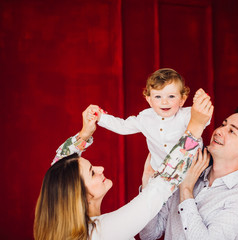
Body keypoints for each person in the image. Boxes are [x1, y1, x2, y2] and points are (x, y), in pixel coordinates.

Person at [33, 90, 214, 240]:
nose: (100, 169)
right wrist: (195, 128)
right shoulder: (103, 232)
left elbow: (57, 167)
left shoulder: (72, 230)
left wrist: (85, 133)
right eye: (92, 172)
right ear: (81, 195)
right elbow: (158, 190)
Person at [139, 107, 238, 240]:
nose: (219, 131)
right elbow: (149, 234)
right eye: (223, 125)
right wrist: (148, 185)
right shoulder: (189, 174)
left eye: (231, 131)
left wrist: (186, 190)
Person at [92, 68, 210, 170]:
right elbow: (122, 127)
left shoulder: (186, 114)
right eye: (158, 96)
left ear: (182, 100)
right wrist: (101, 117)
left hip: (192, 169)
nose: (164, 101)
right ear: (149, 100)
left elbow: (203, 120)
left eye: (171, 96)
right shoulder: (145, 118)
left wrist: (200, 103)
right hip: (161, 172)